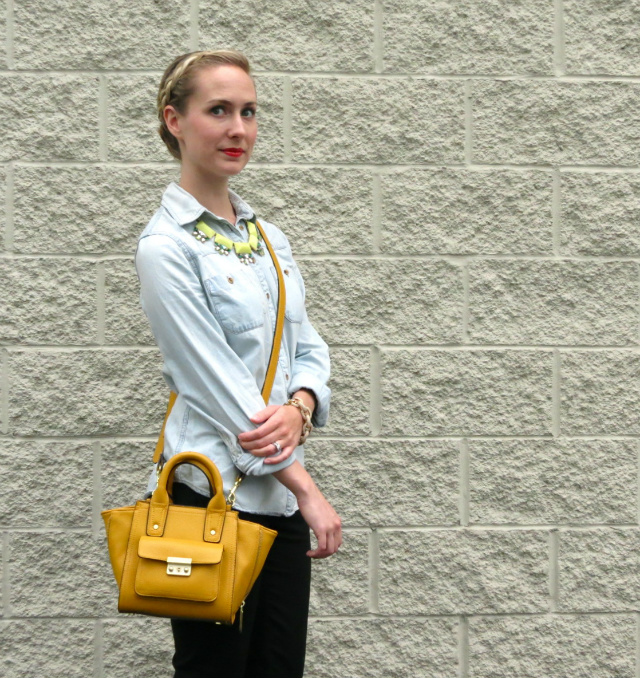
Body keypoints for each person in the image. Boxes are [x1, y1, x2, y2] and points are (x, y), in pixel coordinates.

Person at [135, 50, 342, 678]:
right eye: (218, 111)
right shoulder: (165, 247)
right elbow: (214, 382)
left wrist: (303, 406)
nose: (238, 129)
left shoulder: (267, 239)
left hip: (275, 503)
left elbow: (310, 349)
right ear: (175, 120)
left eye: (249, 112)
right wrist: (305, 487)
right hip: (210, 500)